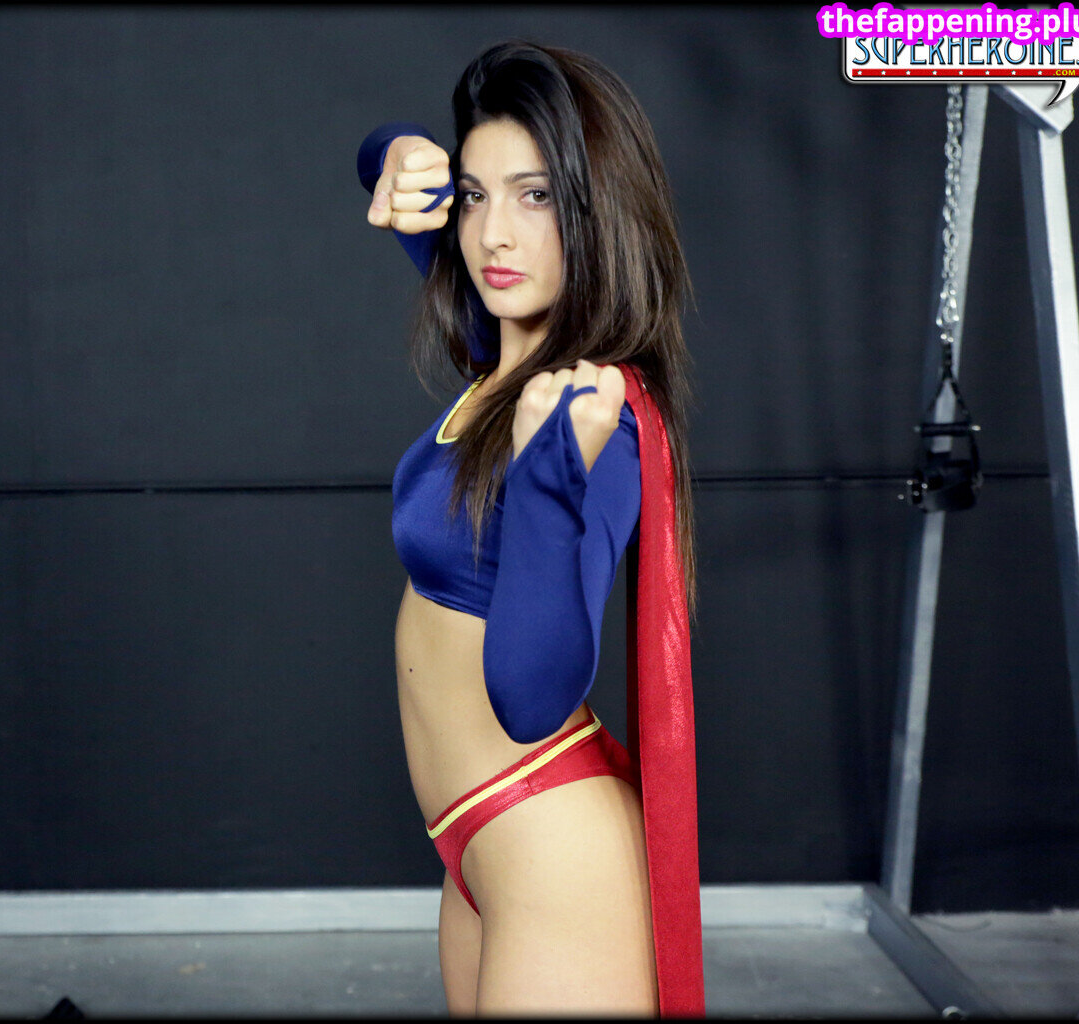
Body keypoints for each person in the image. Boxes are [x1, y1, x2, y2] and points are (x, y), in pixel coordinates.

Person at [357, 41, 704, 1016]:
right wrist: (400, 156)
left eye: (536, 195)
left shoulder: (596, 415)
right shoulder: (502, 346)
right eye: (475, 195)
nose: (492, 234)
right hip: (475, 846)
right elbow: (384, 162)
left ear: (596, 208)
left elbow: (531, 696)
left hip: (552, 845)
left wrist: (548, 477)